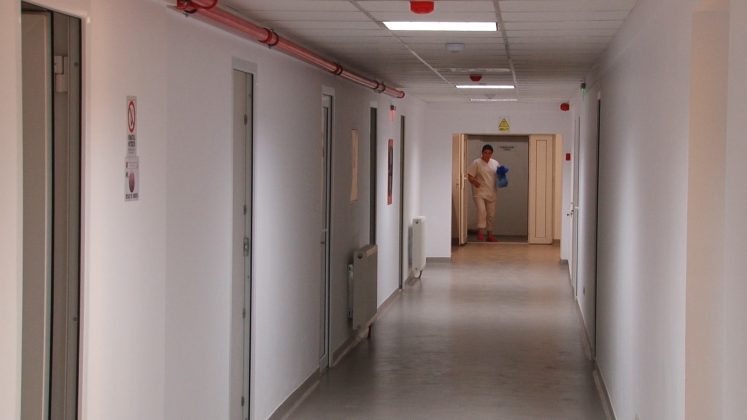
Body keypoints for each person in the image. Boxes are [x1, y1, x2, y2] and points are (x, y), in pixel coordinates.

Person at [467, 144, 500, 242]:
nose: (487, 155)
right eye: (485, 152)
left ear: (492, 154)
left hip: (491, 191)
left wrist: (502, 176)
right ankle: (480, 232)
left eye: (489, 153)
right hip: (479, 192)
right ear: (482, 153)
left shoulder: (495, 163)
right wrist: (474, 181)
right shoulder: (476, 162)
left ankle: (490, 235)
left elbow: (500, 175)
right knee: (482, 211)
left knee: (491, 214)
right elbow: (470, 176)